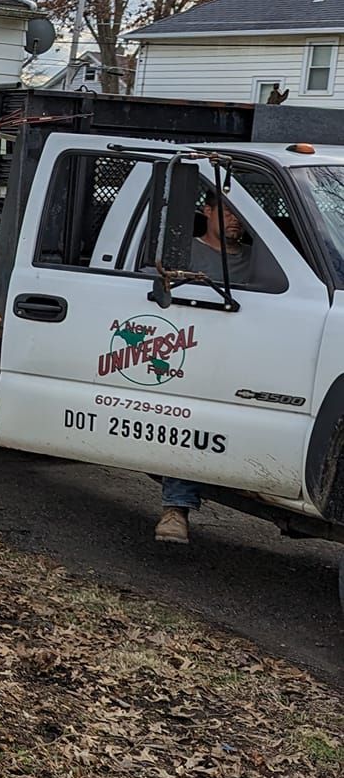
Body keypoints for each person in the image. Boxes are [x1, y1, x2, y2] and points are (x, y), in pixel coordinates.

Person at [155, 190, 251, 545]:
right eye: (226, 211)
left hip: (245, 355)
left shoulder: (260, 260)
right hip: (195, 355)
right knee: (188, 417)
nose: (234, 219)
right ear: (206, 211)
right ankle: (175, 509)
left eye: (240, 213)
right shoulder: (184, 255)